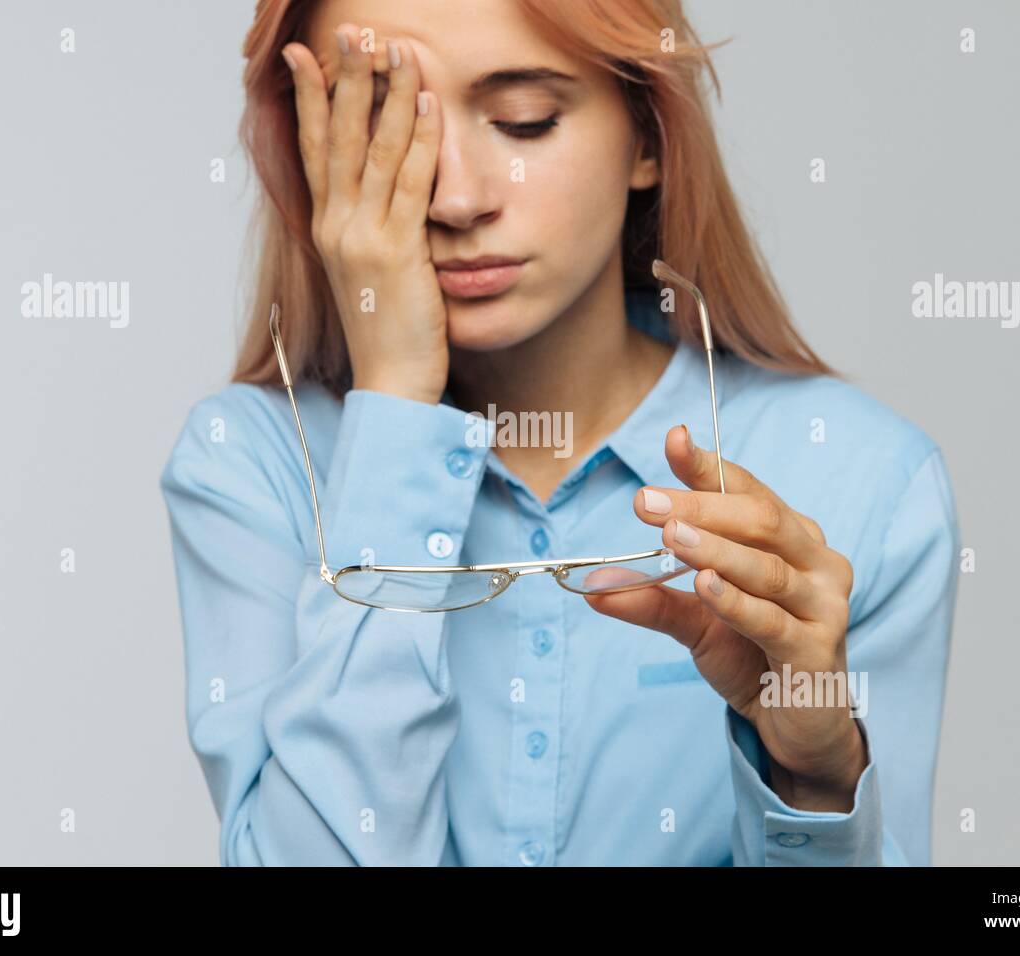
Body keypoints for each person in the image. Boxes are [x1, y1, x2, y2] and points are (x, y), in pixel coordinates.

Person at [159, 0, 960, 866]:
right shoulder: (249, 464)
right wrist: (393, 407)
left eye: (523, 122)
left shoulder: (861, 478)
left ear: (647, 136)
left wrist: (812, 781)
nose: (458, 198)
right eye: (388, 125)